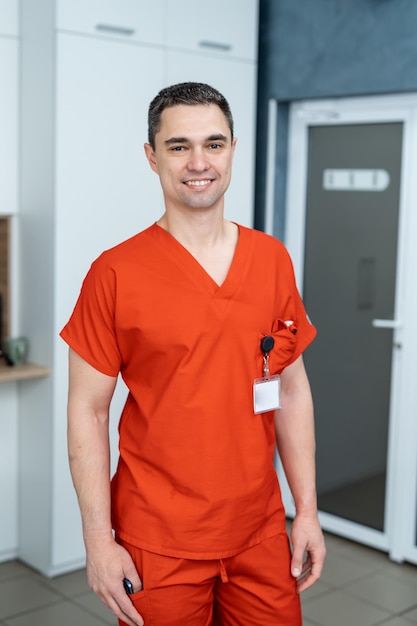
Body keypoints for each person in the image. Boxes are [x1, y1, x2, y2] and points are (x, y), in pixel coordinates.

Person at [61, 82, 326, 626]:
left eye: (214, 143)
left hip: (259, 529)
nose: (198, 162)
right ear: (151, 156)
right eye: (179, 146)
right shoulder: (114, 273)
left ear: (232, 149)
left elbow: (292, 389)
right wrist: (97, 540)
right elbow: (87, 410)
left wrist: (307, 512)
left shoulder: (271, 259)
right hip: (158, 538)